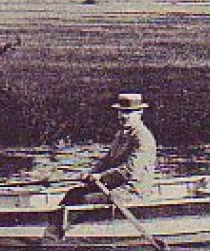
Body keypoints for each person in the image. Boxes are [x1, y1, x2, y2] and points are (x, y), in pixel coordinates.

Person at [50, 93, 159, 235]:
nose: (123, 116)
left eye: (128, 112)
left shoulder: (143, 138)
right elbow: (106, 161)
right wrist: (91, 174)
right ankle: (56, 229)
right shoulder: (121, 134)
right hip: (115, 186)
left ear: (140, 113)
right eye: (121, 112)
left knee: (86, 200)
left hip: (133, 191)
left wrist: (100, 177)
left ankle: (64, 234)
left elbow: (129, 170)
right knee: (74, 193)